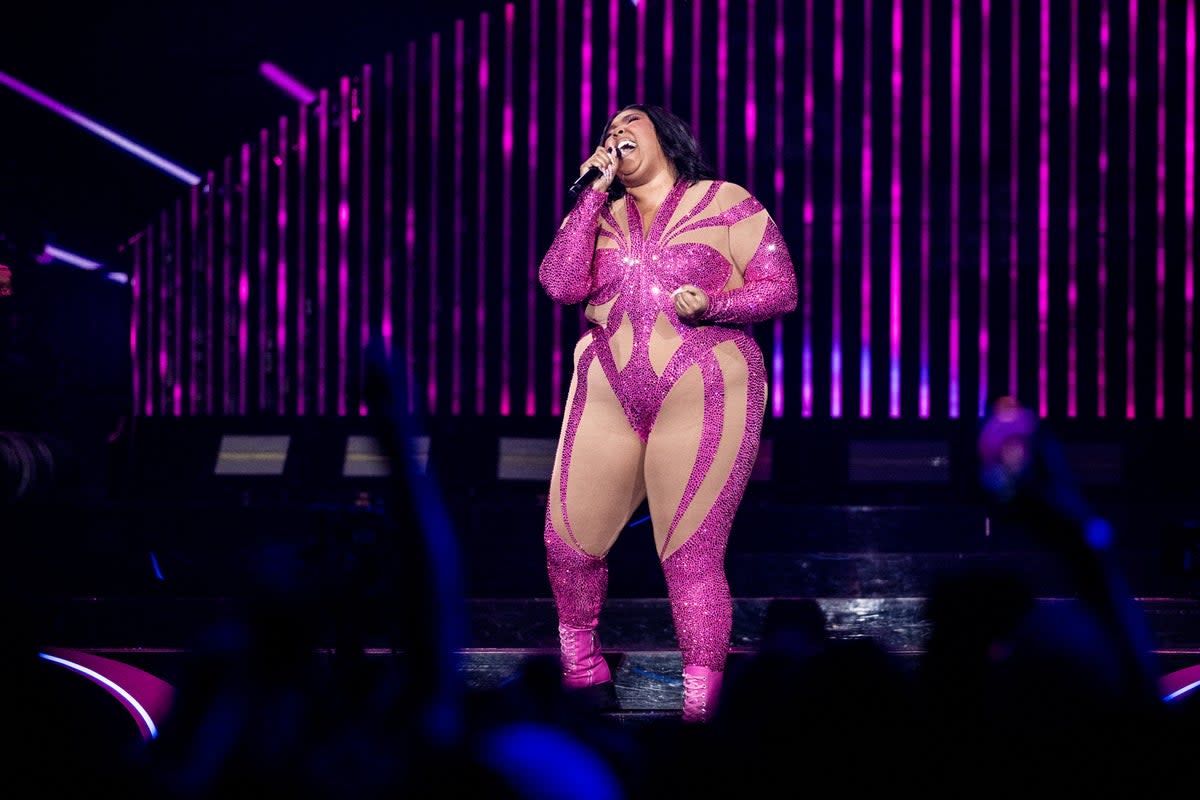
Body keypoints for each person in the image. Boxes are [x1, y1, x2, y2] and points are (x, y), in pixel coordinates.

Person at [536, 103, 798, 723]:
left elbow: (780, 286)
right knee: (568, 545)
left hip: (705, 384)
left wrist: (715, 302)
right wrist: (591, 193)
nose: (616, 134)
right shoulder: (598, 214)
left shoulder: (724, 199)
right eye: (608, 131)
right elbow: (561, 284)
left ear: (667, 136)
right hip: (608, 384)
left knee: (689, 556)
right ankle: (582, 674)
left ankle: (701, 711)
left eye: (630, 123)